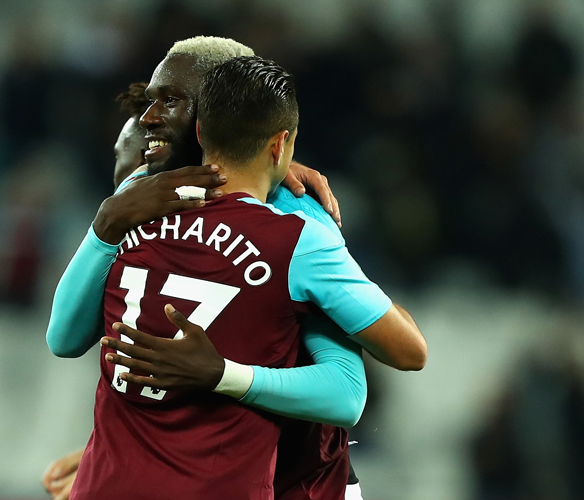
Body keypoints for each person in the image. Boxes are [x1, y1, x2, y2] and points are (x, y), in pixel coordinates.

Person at [46, 37, 425, 500]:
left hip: (304, 483)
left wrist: (224, 374)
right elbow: (75, 344)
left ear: (215, 112)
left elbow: (346, 390)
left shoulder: (296, 221)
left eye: (170, 101)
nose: (149, 122)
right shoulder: (141, 201)